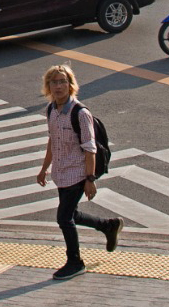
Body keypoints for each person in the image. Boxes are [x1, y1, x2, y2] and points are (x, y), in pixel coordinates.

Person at [35, 64, 121, 280]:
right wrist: (44, 168)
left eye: (63, 81)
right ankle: (108, 226)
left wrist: (90, 179)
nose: (58, 86)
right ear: (48, 86)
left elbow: (90, 148)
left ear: (70, 85)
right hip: (61, 173)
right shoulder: (51, 110)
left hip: (78, 174)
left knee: (63, 217)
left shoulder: (80, 113)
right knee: (71, 214)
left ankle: (75, 261)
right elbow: (52, 141)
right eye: (54, 82)